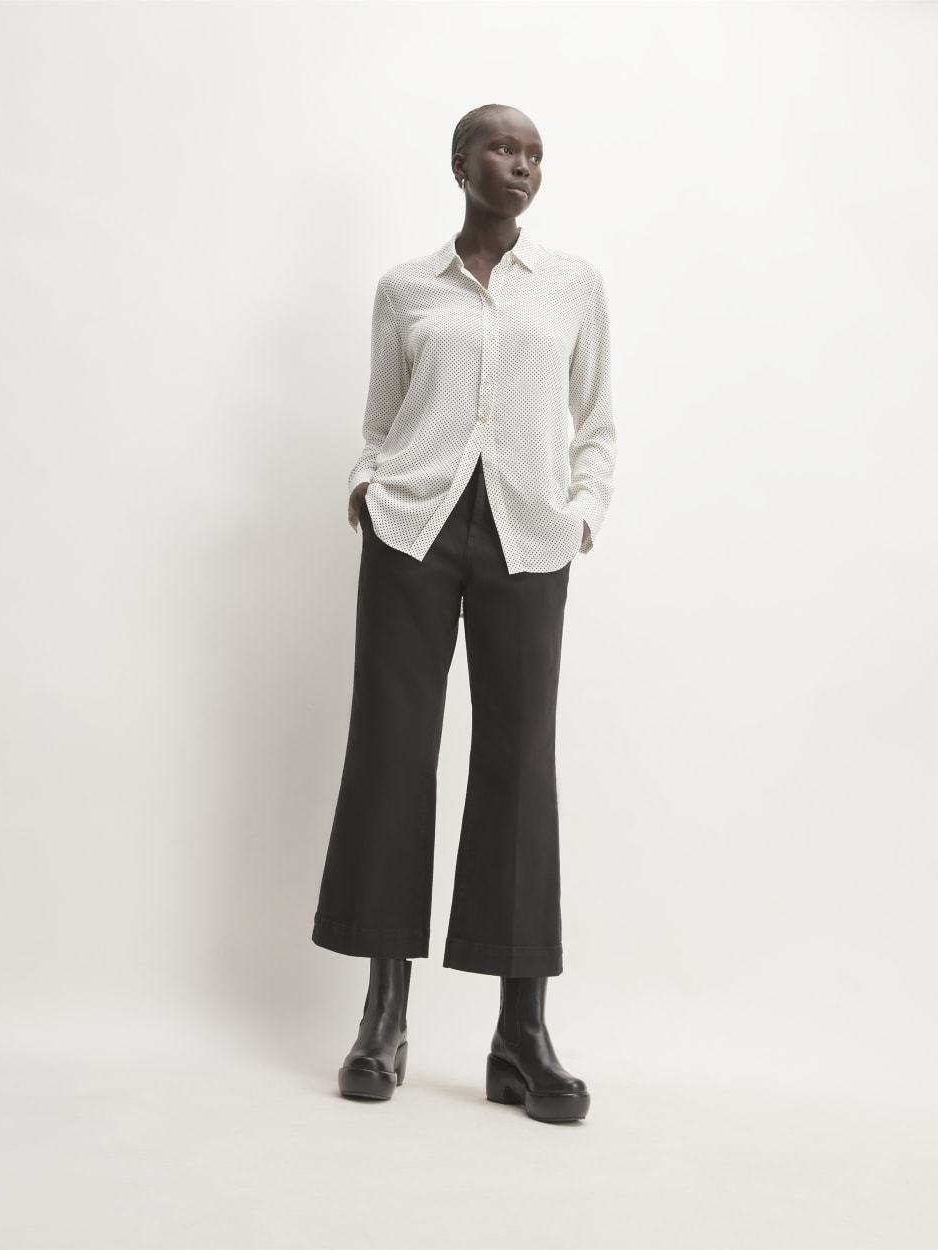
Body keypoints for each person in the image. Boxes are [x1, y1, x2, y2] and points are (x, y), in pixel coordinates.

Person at [311, 103, 616, 1124]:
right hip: (413, 531)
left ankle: (520, 1034)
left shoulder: (572, 287)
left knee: (520, 762)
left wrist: (582, 511)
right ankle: (383, 1016)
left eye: (534, 153)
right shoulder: (406, 289)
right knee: (392, 752)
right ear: (460, 164)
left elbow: (597, 422)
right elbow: (379, 416)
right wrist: (366, 485)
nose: (521, 164)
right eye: (502, 147)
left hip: (528, 536)